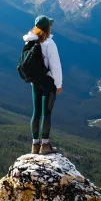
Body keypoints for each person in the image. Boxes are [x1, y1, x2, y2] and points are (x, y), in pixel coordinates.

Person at [23, 15, 62, 155]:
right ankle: (45, 145)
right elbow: (55, 66)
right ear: (47, 27)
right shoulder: (49, 43)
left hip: (35, 82)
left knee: (36, 112)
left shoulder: (30, 42)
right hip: (48, 82)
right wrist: (58, 84)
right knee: (47, 113)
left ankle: (35, 145)